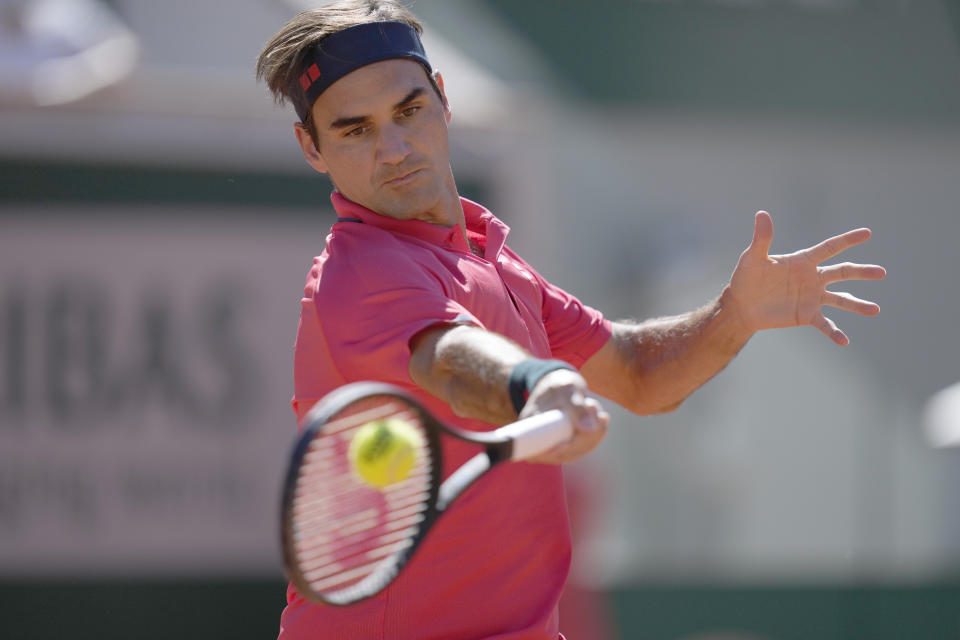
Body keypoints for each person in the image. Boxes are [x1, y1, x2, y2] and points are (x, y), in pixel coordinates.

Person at [256, 2, 886, 638]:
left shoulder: (494, 263)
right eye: (355, 130)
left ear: (443, 100)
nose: (394, 148)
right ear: (312, 146)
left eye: (409, 111)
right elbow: (444, 355)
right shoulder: (362, 269)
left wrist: (735, 314)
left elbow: (638, 373)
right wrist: (535, 384)